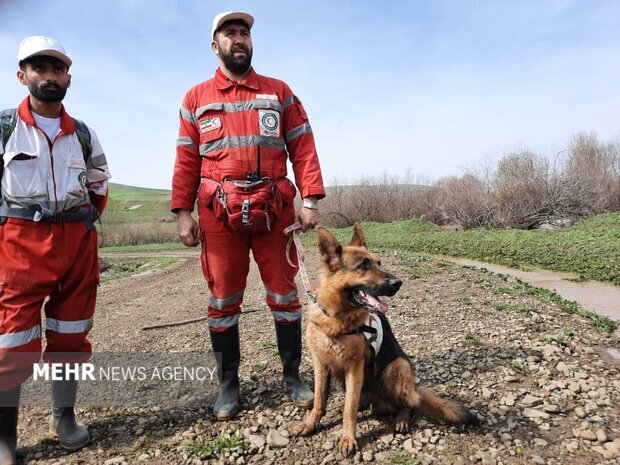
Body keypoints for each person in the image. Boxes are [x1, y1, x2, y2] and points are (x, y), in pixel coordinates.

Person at [172, 11, 325, 420]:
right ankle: (227, 386)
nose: (238, 39)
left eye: (244, 33)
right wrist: (181, 212)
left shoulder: (279, 92)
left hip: (275, 211)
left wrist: (309, 199)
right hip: (218, 216)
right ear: (215, 45)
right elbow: (186, 158)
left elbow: (303, 146)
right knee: (222, 300)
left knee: (285, 297)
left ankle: (293, 377)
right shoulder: (195, 98)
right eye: (229, 33)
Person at [0, 36, 111, 464]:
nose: (49, 75)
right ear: (22, 75)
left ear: (68, 77)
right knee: (12, 341)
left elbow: (99, 180)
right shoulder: (6, 127)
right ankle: (5, 440)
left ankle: (64, 419)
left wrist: (82, 221)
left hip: (76, 242)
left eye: (57, 69)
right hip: (18, 245)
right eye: (39, 67)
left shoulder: (82, 133)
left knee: (71, 334)